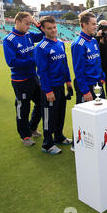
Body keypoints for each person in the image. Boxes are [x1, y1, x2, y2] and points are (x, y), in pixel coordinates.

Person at [3, 12, 43, 147]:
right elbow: (11, 61)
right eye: (27, 23)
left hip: (34, 77)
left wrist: (36, 23)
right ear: (18, 22)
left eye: (30, 24)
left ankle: (32, 128)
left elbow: (44, 34)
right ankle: (25, 136)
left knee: (41, 103)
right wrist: (33, 60)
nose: (29, 26)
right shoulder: (9, 40)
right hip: (20, 81)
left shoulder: (28, 35)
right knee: (23, 109)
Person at [34, 16, 73, 155]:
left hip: (60, 86)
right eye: (49, 28)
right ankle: (47, 144)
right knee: (49, 116)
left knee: (60, 114)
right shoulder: (40, 48)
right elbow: (42, 72)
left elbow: (65, 64)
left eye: (54, 27)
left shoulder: (60, 43)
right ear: (43, 29)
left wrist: (68, 82)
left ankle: (59, 136)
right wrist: (48, 90)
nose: (53, 30)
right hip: (49, 88)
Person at [70, 12, 106, 151]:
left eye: (95, 24)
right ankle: (76, 144)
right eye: (93, 24)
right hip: (86, 86)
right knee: (83, 116)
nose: (95, 26)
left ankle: (95, 140)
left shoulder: (93, 40)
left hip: (97, 84)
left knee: (99, 112)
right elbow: (78, 71)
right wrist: (85, 91)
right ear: (84, 24)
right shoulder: (78, 44)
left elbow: (98, 62)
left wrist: (102, 77)